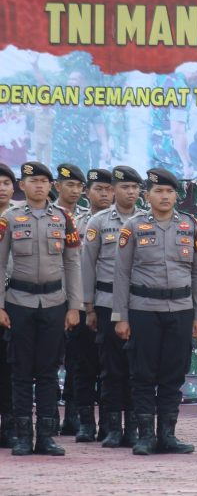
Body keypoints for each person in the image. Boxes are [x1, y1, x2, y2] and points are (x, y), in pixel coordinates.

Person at [113, 168, 197, 456]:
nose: (164, 196)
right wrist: (121, 316)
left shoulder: (191, 226)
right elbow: (121, 273)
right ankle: (145, 436)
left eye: (169, 191)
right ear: (147, 196)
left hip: (181, 309)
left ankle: (168, 435)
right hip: (143, 310)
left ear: (176, 195)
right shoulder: (133, 226)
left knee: (173, 374)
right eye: (158, 191)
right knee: (142, 374)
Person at [0, 162, 83, 456]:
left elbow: (72, 263)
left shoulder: (63, 219)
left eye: (43, 181)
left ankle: (46, 436)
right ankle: (23, 436)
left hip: (54, 303)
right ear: (22, 186)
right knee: (21, 371)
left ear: (50, 186)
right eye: (33, 181)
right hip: (19, 302)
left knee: (48, 371)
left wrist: (74, 306)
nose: (38, 186)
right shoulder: (9, 219)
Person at [81, 165, 143, 449]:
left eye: (134, 187)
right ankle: (112, 427)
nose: (130, 192)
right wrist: (89, 307)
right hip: (106, 303)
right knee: (111, 367)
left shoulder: (146, 221)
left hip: (139, 303)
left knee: (137, 368)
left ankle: (134, 428)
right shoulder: (98, 221)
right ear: (114, 190)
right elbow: (87, 266)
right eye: (125, 187)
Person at [70, 168, 113, 443]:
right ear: (87, 192)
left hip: (111, 303)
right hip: (83, 302)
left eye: (109, 189)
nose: (105, 194)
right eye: (99, 189)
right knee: (83, 365)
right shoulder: (74, 223)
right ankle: (85, 423)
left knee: (112, 366)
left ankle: (109, 422)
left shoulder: (130, 222)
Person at [53, 163, 87, 437]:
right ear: (57, 186)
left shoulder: (88, 219)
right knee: (48, 359)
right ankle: (50, 415)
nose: (74, 191)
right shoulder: (44, 215)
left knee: (78, 360)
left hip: (77, 299)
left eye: (78, 186)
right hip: (48, 297)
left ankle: (73, 416)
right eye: (69, 185)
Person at [0, 163, 17, 449]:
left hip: (16, 301)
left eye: (6, 183)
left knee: (11, 366)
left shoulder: (21, 216)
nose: (1, 188)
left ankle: (10, 427)